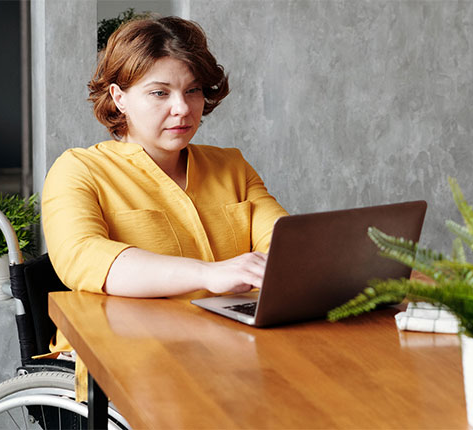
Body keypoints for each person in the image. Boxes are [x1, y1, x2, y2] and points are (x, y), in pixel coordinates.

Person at [41, 16, 288, 398]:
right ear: (119, 97)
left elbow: (283, 242)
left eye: (192, 91)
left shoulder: (231, 165)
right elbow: (84, 257)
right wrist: (208, 274)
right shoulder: (79, 170)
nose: (183, 109)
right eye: (160, 93)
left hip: (229, 350)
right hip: (125, 362)